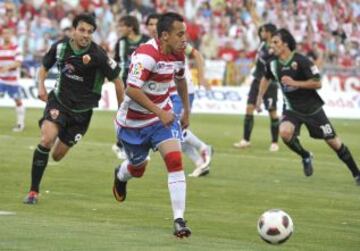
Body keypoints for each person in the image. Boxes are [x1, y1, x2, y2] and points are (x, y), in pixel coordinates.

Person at [23, 13, 125, 204]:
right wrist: (41, 86)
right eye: (82, 30)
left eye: (90, 32)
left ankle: (59, 134)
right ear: (73, 30)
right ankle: (33, 192)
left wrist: (122, 112)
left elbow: (118, 83)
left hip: (82, 114)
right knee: (46, 140)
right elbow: (44, 67)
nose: (85, 35)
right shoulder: (61, 47)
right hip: (59, 103)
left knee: (57, 155)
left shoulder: (99, 55)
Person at [113, 12, 191, 238]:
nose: (184, 38)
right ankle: (121, 174)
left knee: (175, 160)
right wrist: (158, 111)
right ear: (165, 35)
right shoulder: (146, 56)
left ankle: (179, 219)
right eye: (180, 34)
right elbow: (131, 89)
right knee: (138, 169)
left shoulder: (178, 54)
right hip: (133, 124)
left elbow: (180, 78)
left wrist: (186, 109)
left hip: (160, 119)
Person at [256, 28, 360, 185]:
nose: (272, 46)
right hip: (291, 109)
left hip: (313, 110)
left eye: (275, 42)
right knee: (284, 132)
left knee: (334, 143)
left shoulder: (303, 61)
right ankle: (305, 155)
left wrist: (294, 83)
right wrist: (259, 98)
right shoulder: (273, 64)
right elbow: (265, 78)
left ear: (285, 44)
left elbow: (317, 83)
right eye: (271, 43)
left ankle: (356, 173)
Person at [145, 13, 214, 177]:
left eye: (155, 23)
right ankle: (199, 163)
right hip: (168, 93)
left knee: (169, 127)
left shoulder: (177, 43)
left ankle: (203, 147)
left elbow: (196, 54)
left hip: (182, 91)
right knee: (174, 133)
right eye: (150, 24)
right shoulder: (152, 47)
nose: (153, 27)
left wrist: (202, 76)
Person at [233, 23, 279, 152]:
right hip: (256, 80)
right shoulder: (262, 44)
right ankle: (245, 140)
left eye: (263, 31)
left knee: (272, 112)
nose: (261, 33)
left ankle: (275, 142)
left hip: (270, 82)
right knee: (249, 108)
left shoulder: (275, 46)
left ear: (269, 33)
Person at [112, 15, 150, 159]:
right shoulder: (120, 43)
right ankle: (122, 145)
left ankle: (133, 146)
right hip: (124, 84)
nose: (119, 29)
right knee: (123, 113)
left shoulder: (146, 41)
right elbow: (115, 62)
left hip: (142, 85)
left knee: (141, 114)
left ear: (131, 27)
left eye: (122, 26)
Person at [0, 27, 25, 132]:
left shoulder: (16, 48)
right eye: (4, 33)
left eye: (8, 33)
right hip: (1, 80)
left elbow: (18, 63)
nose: (6, 35)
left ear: (11, 35)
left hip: (12, 81)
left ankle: (20, 124)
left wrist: (7, 67)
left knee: (18, 101)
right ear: (2, 35)